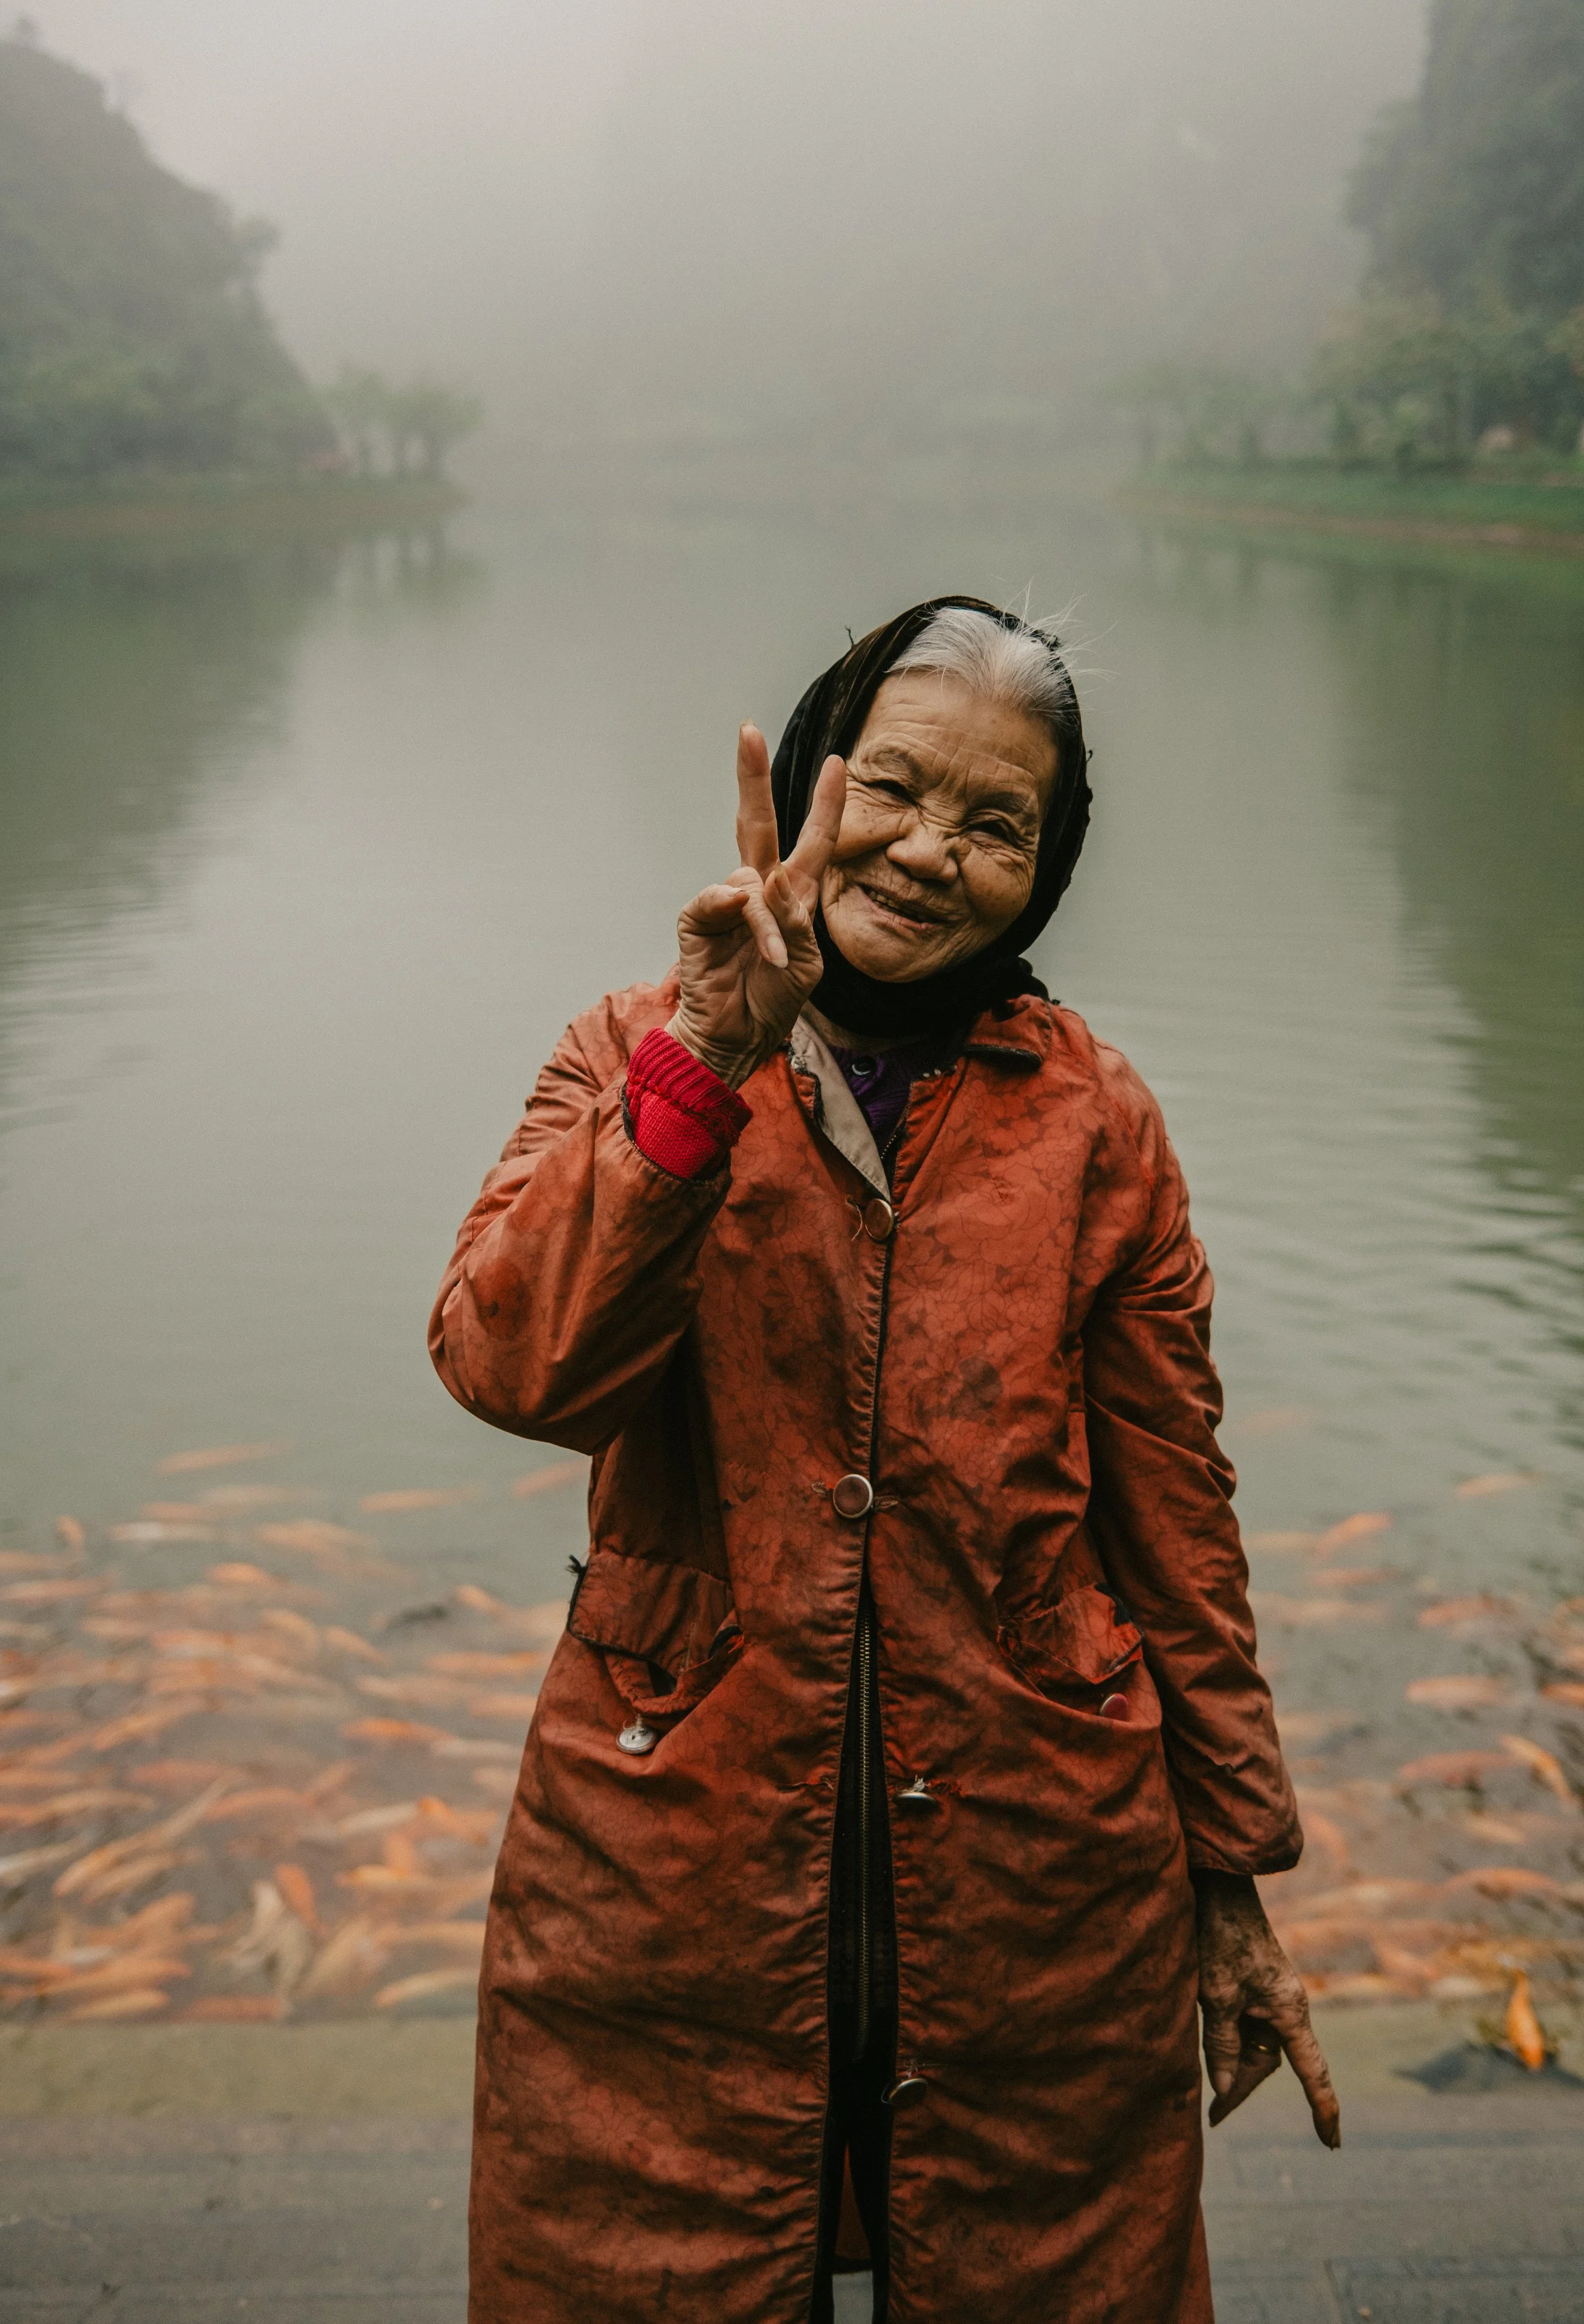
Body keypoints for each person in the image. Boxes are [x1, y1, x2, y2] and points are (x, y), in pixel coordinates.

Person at [430, 597, 1338, 2324]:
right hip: (667, 1863)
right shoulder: (639, 1048)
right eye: (895, 790)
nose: (930, 854)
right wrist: (712, 1059)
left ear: (1048, 866)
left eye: (996, 826)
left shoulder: (1092, 1116)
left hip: (1038, 1881)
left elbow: (1175, 1524)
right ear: (812, 778)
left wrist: (1230, 1882)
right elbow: (509, 1362)